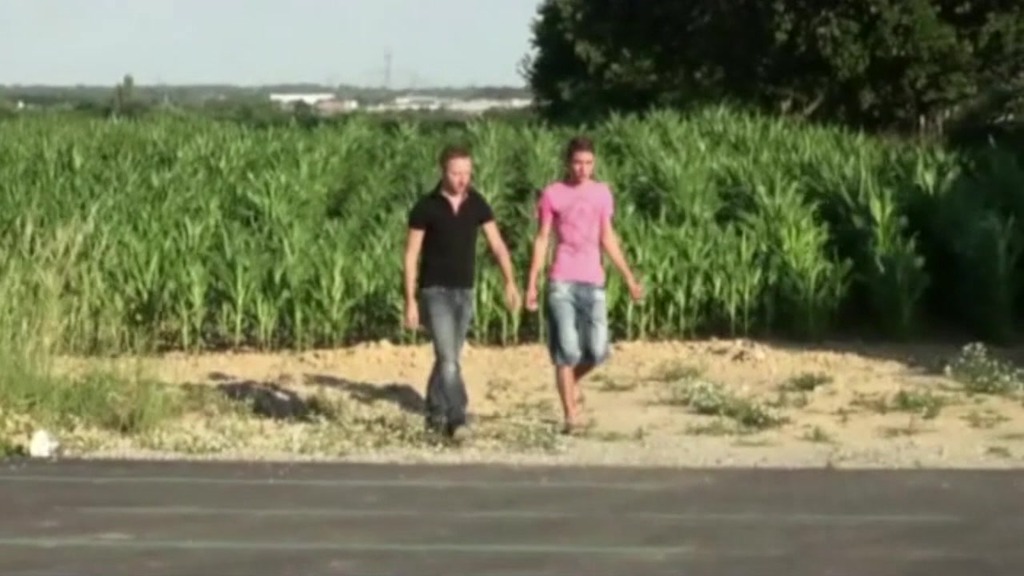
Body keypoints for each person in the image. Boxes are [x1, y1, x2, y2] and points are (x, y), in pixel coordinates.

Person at [525, 136, 643, 434]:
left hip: (593, 280)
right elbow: (542, 239)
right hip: (561, 281)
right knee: (566, 350)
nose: (583, 169)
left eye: (588, 163)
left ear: (594, 163)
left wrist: (628, 277)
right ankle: (570, 414)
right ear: (568, 163)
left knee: (598, 350)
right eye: (578, 163)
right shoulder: (553, 194)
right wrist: (532, 283)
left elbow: (607, 237)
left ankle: (571, 381)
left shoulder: (602, 194)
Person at [403, 144, 521, 441]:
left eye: (467, 173)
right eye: (456, 173)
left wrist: (509, 281)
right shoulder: (426, 207)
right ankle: (457, 417)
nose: (462, 179)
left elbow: (497, 245)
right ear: (443, 171)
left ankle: (434, 411)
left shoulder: (477, 203)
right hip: (434, 291)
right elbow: (411, 255)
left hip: (464, 291)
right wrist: (410, 300)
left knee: (449, 357)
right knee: (449, 360)